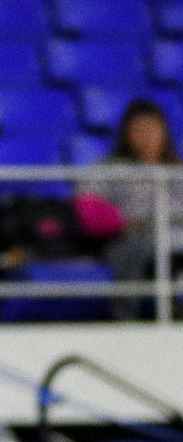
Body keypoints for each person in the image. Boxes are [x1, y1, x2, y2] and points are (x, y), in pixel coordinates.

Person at [85, 98, 183, 307]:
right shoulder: (108, 170)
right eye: (139, 130)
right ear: (126, 134)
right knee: (159, 247)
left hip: (176, 236)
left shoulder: (178, 171)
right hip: (130, 241)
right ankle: (135, 312)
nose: (147, 137)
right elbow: (87, 212)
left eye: (152, 129)